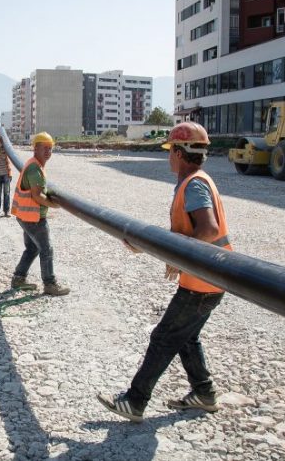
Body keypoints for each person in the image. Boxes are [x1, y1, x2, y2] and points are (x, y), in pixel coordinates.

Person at [98, 121, 231, 422]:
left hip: (202, 281)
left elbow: (208, 229)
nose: (168, 156)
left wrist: (180, 258)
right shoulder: (197, 181)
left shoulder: (194, 184)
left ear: (180, 153)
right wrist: (149, 247)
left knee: (163, 337)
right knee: (186, 336)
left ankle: (135, 401)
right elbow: (186, 234)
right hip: (210, 278)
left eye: (170, 150)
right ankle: (204, 392)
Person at [10, 132, 70, 296]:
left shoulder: (34, 164)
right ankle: (50, 284)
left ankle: (18, 279)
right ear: (35, 148)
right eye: (45, 148)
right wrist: (54, 204)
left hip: (25, 216)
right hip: (33, 218)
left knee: (32, 249)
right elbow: (37, 196)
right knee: (46, 250)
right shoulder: (34, 168)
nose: (48, 152)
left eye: (50, 148)